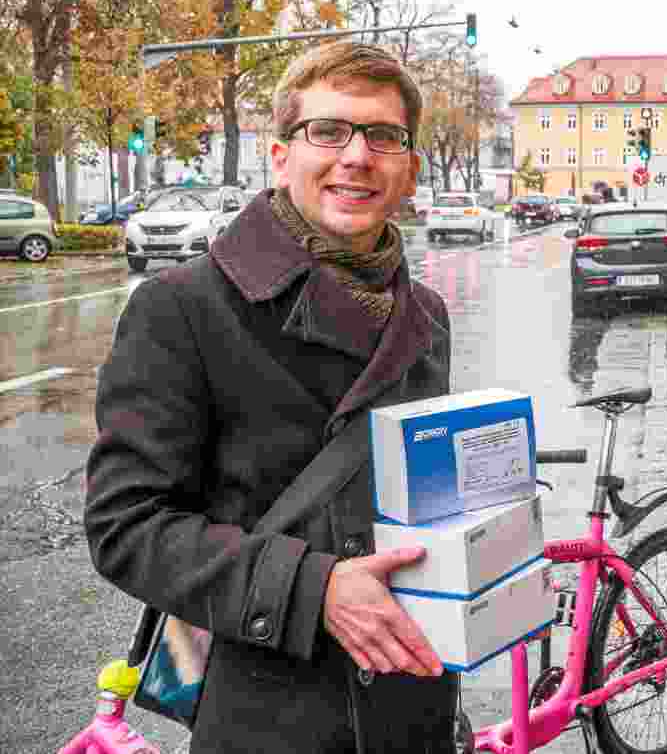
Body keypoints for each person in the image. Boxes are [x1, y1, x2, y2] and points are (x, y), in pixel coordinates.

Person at [85, 41, 458, 753]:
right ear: (281, 156)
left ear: (407, 166)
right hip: (267, 709)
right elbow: (125, 526)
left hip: (412, 696)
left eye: (384, 136)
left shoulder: (428, 313)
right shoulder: (183, 308)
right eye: (329, 130)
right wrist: (314, 589)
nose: (357, 156)